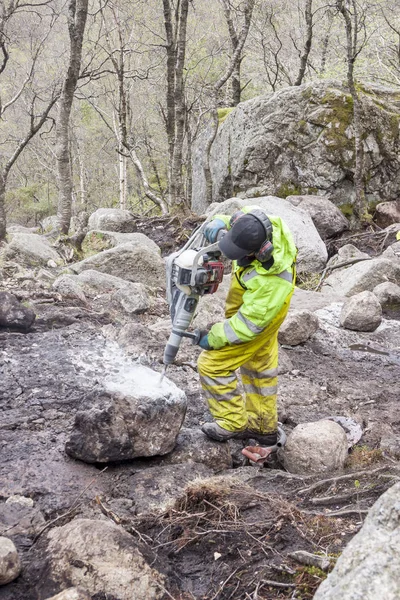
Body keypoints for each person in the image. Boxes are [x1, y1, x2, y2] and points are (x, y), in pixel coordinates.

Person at [197, 205, 297, 445]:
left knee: (211, 365)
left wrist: (214, 337)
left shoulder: (272, 281)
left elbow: (246, 326)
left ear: (261, 252)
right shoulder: (260, 222)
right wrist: (219, 225)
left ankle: (232, 422)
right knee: (259, 366)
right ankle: (263, 428)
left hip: (260, 316)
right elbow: (235, 221)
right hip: (259, 310)